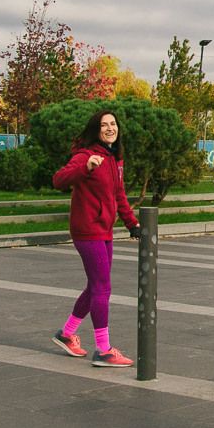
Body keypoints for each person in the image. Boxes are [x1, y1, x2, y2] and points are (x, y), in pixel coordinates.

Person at [51, 110, 143, 368]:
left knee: (95, 286)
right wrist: (86, 166)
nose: (110, 128)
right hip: (87, 229)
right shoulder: (86, 155)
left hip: (103, 229)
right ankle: (103, 350)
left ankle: (67, 334)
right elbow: (59, 180)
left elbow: (119, 194)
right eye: (104, 125)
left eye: (113, 124)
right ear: (96, 130)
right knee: (103, 288)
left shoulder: (114, 158)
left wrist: (132, 223)